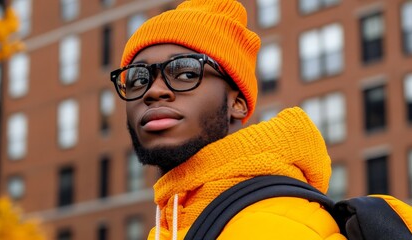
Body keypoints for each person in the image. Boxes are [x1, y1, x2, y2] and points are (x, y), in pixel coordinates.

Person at [110, 0, 347, 239]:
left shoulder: (271, 226)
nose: (153, 91)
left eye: (186, 73)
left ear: (237, 104)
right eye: (138, 80)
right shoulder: (177, 220)